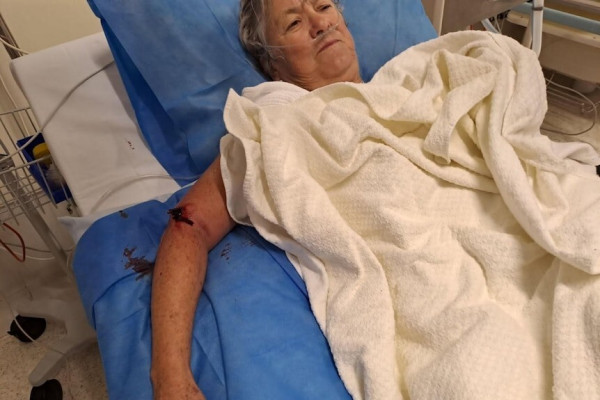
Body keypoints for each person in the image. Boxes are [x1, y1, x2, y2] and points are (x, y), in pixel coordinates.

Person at [150, 0, 362, 398]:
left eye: (323, 5)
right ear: (272, 64)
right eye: (294, 23)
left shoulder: (413, 82)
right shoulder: (277, 120)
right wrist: (170, 377)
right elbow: (189, 224)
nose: (320, 23)